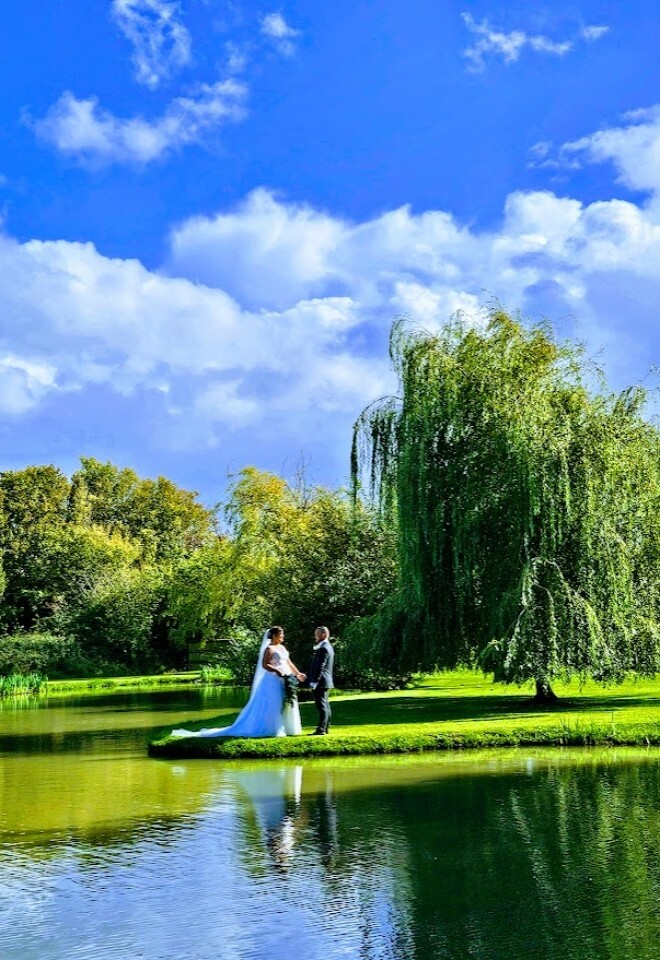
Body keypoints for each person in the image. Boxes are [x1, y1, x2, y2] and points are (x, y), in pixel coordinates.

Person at [171, 627, 305, 738]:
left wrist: (297, 673)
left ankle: (288, 728)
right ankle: (272, 728)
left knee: (288, 701)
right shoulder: (269, 649)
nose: (283, 637)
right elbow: (265, 665)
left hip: (285, 678)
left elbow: (288, 662)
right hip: (273, 680)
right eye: (281, 635)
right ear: (274, 636)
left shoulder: (282, 648)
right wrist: (277, 671)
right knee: (274, 703)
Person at [307, 626, 335, 735]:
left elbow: (321, 666)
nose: (315, 637)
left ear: (323, 634)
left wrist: (315, 681)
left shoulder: (324, 648)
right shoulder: (327, 647)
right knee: (325, 705)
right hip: (325, 681)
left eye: (316, 634)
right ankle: (325, 727)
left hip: (321, 681)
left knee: (322, 706)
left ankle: (322, 729)